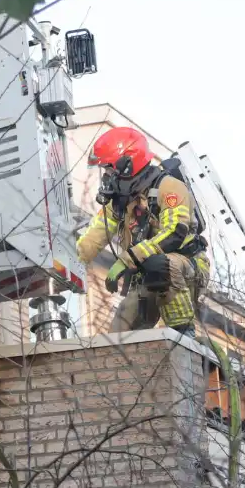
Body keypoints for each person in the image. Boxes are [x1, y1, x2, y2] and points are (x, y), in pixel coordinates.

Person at [76, 126, 211, 336]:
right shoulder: (119, 203)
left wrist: (127, 260)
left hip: (187, 270)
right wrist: (67, 262)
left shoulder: (170, 187)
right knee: (120, 333)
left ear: (128, 165)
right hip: (148, 277)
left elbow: (174, 234)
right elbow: (94, 237)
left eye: (110, 170)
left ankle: (184, 334)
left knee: (161, 264)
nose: (107, 177)